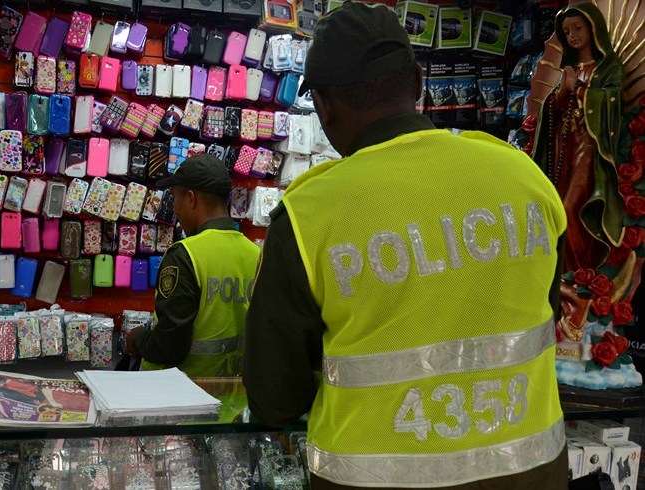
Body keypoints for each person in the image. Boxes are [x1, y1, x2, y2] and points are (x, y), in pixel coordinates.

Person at [243, 3, 568, 489]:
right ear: (418, 83)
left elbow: (275, 398)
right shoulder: (524, 179)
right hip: (530, 473)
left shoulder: (311, 215)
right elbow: (545, 312)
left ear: (325, 107)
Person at [126, 154, 260, 379]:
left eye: (175, 199)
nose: (175, 210)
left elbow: (169, 346)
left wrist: (138, 339)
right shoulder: (256, 254)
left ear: (191, 199)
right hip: (234, 400)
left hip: (184, 396)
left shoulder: (185, 255)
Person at [529, 2, 624, 273]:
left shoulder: (608, 68)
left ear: (593, 29)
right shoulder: (569, 69)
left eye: (578, 28)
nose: (572, 35)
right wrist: (561, 92)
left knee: (572, 207)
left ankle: (580, 269)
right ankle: (564, 270)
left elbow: (612, 102)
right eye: (567, 31)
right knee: (557, 204)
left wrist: (579, 90)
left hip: (590, 146)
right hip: (564, 143)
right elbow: (554, 109)